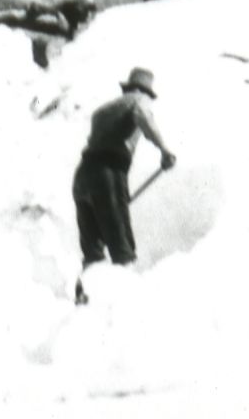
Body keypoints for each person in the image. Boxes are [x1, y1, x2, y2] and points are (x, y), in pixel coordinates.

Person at [72, 66, 174, 303]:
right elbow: (143, 116)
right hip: (107, 174)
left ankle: (84, 300)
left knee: (93, 248)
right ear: (145, 92)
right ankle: (125, 306)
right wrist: (164, 150)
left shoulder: (103, 111)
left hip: (83, 176)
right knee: (121, 245)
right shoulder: (138, 101)